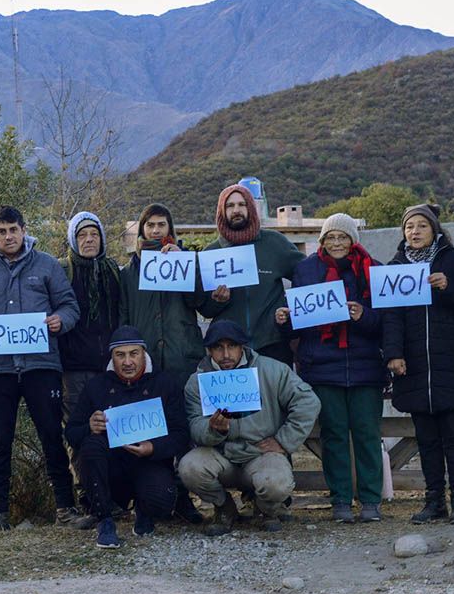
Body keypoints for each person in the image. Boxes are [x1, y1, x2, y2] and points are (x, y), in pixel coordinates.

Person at [0, 206, 81, 532]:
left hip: (42, 366)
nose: (9, 236)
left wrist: (60, 321)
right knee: (0, 442)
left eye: (14, 230)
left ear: (24, 230)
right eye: (2, 231)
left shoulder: (47, 265)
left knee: (52, 437)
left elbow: (70, 307)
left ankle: (65, 509)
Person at [275, 213, 387, 523]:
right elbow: (299, 326)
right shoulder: (306, 270)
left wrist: (362, 315)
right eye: (330, 237)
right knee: (334, 435)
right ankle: (339, 500)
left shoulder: (373, 269)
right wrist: (285, 320)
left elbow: (386, 323)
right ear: (322, 241)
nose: (336, 242)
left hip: (365, 367)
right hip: (322, 367)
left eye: (342, 236)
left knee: (367, 433)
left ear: (353, 240)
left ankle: (370, 501)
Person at [382, 205, 454, 524]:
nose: (414, 231)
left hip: (451, 363)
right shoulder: (395, 268)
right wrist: (393, 354)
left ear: (435, 230)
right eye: (409, 226)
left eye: (421, 225)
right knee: (426, 440)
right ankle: (434, 501)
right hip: (414, 368)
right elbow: (391, 317)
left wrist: (447, 287)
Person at [180, 320, 320, 534]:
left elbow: (308, 402)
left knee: (277, 483)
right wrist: (215, 430)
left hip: (261, 452)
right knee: (190, 467)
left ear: (242, 347)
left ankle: (266, 509)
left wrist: (283, 441)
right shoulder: (196, 382)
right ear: (209, 350)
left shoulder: (271, 370)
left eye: (232, 346)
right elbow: (195, 425)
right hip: (220, 455)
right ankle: (224, 507)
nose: (226, 354)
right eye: (218, 347)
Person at [118, 202, 210, 523]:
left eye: (161, 225)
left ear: (170, 229)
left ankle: (185, 498)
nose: (155, 231)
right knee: (154, 430)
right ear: (141, 230)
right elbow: (125, 320)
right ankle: (156, 496)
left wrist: (185, 265)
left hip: (180, 357)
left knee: (182, 429)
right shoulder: (128, 273)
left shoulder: (185, 263)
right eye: (150, 225)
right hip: (147, 364)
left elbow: (201, 303)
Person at [63, 326, 189, 549]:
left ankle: (144, 510)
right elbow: (71, 433)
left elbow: (181, 433)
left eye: (134, 354)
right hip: (111, 467)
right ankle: (104, 520)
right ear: (112, 357)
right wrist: (89, 427)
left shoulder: (165, 383)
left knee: (161, 501)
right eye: (120, 355)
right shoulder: (96, 386)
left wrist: (154, 448)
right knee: (90, 446)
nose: (127, 362)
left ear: (144, 353)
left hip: (150, 463)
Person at [58, 211, 124, 519]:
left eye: (94, 234)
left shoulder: (114, 272)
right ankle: (87, 495)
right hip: (74, 368)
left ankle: (114, 493)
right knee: (79, 431)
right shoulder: (62, 273)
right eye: (82, 235)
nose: (88, 240)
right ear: (73, 239)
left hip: (109, 367)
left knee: (113, 428)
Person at [203, 184, 305, 366]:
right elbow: (204, 309)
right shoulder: (211, 253)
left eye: (241, 205)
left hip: (273, 345)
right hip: (230, 352)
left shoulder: (274, 243)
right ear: (221, 211)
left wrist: (288, 309)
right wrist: (218, 300)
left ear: (250, 208)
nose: (236, 210)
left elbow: (306, 274)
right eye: (230, 206)